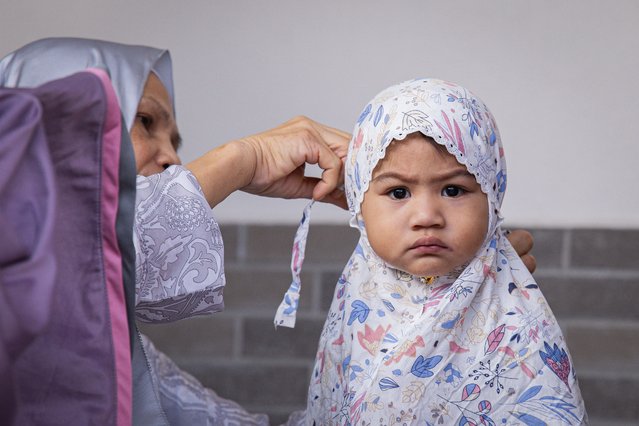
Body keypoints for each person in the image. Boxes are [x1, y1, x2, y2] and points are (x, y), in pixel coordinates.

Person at [0, 38, 536, 424]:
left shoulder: (124, 355)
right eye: (145, 122)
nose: (171, 157)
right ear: (53, 125)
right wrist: (243, 158)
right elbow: (82, 254)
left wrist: (430, 328)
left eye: (453, 190)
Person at [278, 78, 586, 424]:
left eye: (453, 190)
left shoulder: (518, 323)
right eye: (398, 193)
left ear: (492, 195)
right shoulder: (357, 300)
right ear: (359, 202)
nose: (426, 217)